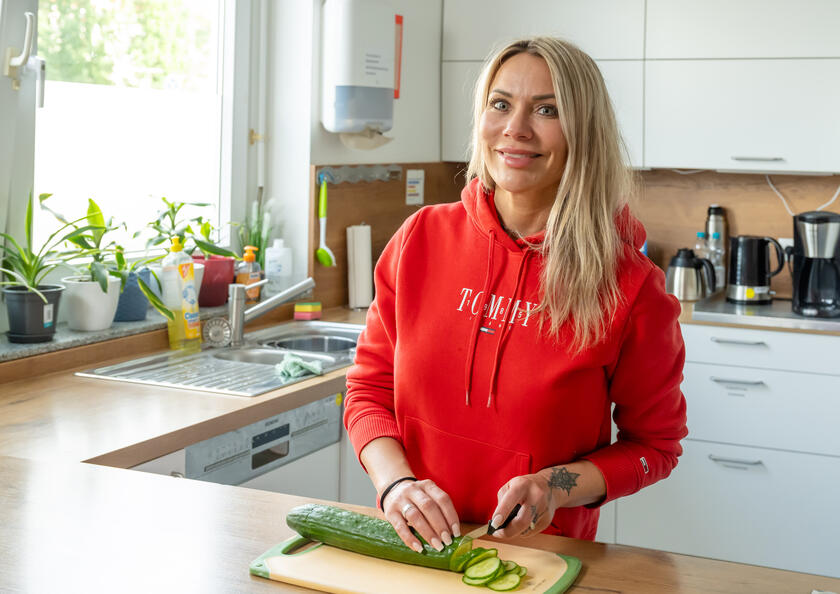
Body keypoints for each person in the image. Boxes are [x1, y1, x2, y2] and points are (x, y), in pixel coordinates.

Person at [343, 36, 688, 553]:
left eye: (547, 110)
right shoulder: (419, 240)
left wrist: (554, 486)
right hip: (415, 548)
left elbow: (653, 447)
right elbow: (368, 391)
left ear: (584, 132)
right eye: (500, 104)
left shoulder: (628, 286)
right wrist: (396, 486)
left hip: (542, 559)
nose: (516, 128)